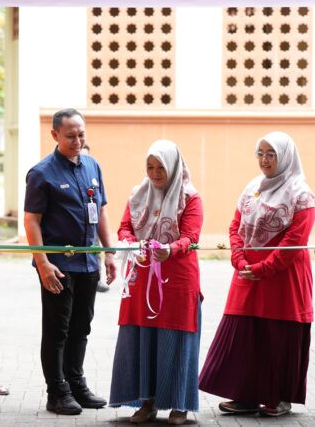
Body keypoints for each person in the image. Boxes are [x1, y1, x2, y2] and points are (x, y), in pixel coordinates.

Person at [199, 132, 315, 418]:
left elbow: (295, 241)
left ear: (285, 156)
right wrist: (239, 259)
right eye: (261, 153)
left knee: (277, 335)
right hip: (247, 273)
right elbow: (235, 225)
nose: (265, 160)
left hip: (282, 278)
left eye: (271, 154)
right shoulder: (253, 187)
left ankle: (278, 397)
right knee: (246, 332)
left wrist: (265, 267)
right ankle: (246, 394)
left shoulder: (301, 194)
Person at [24, 108, 117, 415]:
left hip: (88, 264)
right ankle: (57, 391)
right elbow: (31, 221)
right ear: (54, 135)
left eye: (81, 135)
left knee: (81, 329)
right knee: (57, 330)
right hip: (57, 268)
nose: (77, 141)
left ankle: (76, 384)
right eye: (70, 136)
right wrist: (42, 263)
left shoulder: (93, 165)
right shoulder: (41, 173)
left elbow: (100, 211)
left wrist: (109, 253)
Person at [109, 140, 203, 425]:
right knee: (142, 337)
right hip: (142, 276)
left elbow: (191, 236)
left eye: (161, 166)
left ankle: (179, 406)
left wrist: (170, 249)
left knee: (176, 339)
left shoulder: (190, 197)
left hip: (177, 280)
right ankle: (146, 402)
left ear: (173, 166)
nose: (155, 172)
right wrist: (129, 242)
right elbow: (124, 226)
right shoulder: (139, 194)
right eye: (150, 166)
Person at [81, 143, 110, 293]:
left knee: (95, 249)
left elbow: (102, 207)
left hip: (93, 223)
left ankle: (97, 278)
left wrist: (109, 251)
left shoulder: (93, 171)